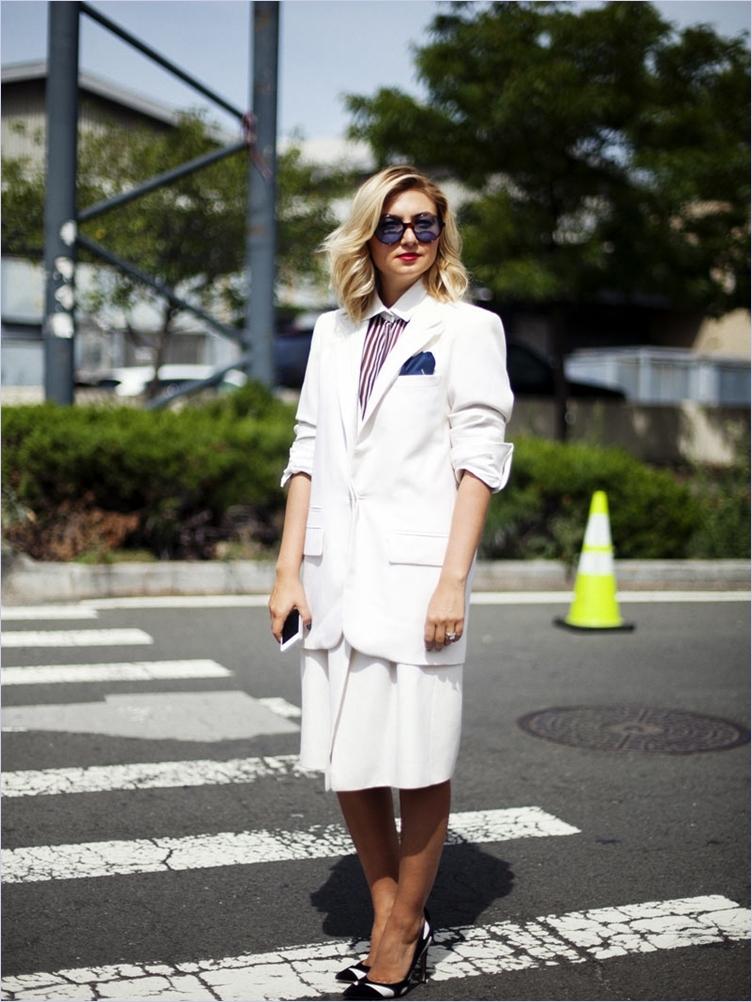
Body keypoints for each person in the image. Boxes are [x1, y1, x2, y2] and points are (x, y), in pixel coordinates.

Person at [269, 165, 514, 999]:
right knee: (352, 757)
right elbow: (306, 449)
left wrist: (454, 580)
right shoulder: (333, 334)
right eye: (392, 226)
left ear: (442, 233)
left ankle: (404, 926)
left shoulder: (468, 328)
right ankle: (390, 910)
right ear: (365, 236)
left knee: (418, 757)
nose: (410, 239)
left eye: (425, 224)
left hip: (418, 579)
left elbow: (480, 460)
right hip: (336, 575)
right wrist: (287, 569)